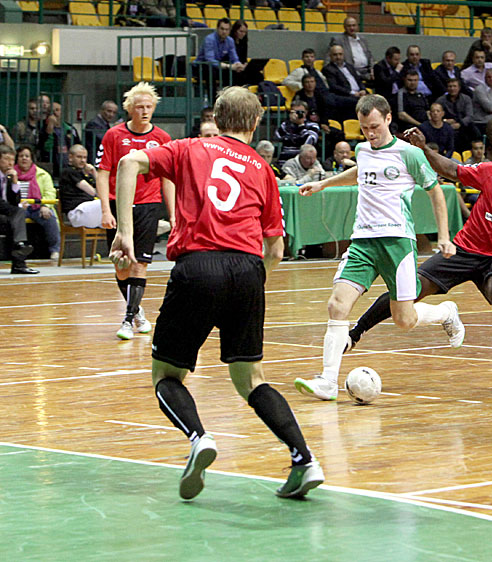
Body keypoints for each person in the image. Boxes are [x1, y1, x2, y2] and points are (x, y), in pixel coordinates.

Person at [109, 86, 324, 500]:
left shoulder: (191, 148)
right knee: (251, 380)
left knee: (167, 375)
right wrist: (248, 282)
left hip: (198, 265)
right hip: (247, 270)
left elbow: (128, 162)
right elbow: (276, 249)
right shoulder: (263, 168)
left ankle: (199, 439)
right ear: (256, 123)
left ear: (218, 119)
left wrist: (123, 231)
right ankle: (304, 459)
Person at [293, 94, 463, 401]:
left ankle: (445, 312)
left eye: (374, 127)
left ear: (387, 120)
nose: (370, 133)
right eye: (364, 128)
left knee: (404, 320)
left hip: (398, 243)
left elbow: (436, 191)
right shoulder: (362, 149)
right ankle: (328, 381)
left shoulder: (409, 153)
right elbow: (360, 171)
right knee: (337, 305)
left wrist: (444, 236)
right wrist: (324, 183)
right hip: (363, 242)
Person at [347, 137, 492, 394]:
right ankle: (355, 334)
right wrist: (425, 149)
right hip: (464, 250)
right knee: (407, 289)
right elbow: (450, 169)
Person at [97, 82, 173, 340]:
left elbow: (168, 179)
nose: (144, 111)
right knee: (121, 265)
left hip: (148, 206)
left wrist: (173, 214)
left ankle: (128, 319)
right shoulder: (113, 135)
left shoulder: (162, 139)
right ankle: (136, 309)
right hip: (119, 206)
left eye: (149, 107)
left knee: (140, 264)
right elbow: (103, 172)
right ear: (129, 109)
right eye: (139, 107)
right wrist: (106, 210)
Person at [14, 144, 60, 259]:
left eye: (27, 156)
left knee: (50, 217)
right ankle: (18, 250)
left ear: (31, 159)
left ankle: (55, 250)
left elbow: (50, 193)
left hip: (37, 207)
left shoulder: (43, 174)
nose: (24, 158)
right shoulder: (11, 174)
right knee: (15, 217)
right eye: (21, 156)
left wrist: (45, 205)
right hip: (19, 207)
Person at [0, 145, 38, 274]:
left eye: (12, 160)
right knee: (18, 214)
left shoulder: (9, 177)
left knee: (14, 223)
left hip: (4, 215)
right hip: (3, 211)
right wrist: (16, 209)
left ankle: (18, 262)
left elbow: (15, 200)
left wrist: (15, 182)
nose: (10, 163)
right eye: (6, 159)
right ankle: (19, 251)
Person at [194, 18, 245, 86]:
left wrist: (238, 65)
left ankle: (230, 95)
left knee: (236, 72)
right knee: (211, 71)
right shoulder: (209, 39)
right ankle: (213, 96)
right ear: (217, 28)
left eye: (227, 29)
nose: (224, 32)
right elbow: (210, 61)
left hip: (217, 67)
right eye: (222, 29)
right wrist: (228, 66)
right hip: (201, 67)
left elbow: (234, 58)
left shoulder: (230, 40)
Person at [60, 144, 101, 228]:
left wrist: (94, 172)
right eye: (79, 157)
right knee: (110, 204)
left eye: (85, 157)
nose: (83, 160)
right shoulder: (68, 172)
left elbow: (101, 191)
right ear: (71, 157)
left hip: (88, 210)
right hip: (76, 212)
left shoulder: (85, 174)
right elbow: (93, 192)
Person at [322, 44, 366, 121]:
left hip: (359, 93)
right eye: (335, 55)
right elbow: (334, 86)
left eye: (340, 54)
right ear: (330, 56)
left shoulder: (350, 66)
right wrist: (352, 93)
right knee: (359, 103)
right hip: (345, 96)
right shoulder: (328, 69)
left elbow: (359, 81)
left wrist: (363, 90)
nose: (338, 57)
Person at [38, 102, 80, 177]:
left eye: (57, 110)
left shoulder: (70, 128)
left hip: (69, 165)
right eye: (52, 111)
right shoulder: (42, 128)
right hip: (52, 165)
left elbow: (77, 145)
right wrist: (50, 126)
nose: (54, 113)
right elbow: (45, 147)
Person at [436, 78, 479, 151]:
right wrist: (445, 121)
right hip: (448, 126)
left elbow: (469, 116)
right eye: (450, 86)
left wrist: (460, 124)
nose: (452, 88)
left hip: (463, 125)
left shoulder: (466, 98)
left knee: (475, 131)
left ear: (459, 88)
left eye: (454, 86)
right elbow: (436, 114)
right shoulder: (441, 100)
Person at [273, 100, 320, 166]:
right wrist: (291, 124)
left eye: (301, 112)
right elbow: (278, 137)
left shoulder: (313, 125)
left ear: (306, 112)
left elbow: (308, 142)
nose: (298, 114)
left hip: (302, 163)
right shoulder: (285, 125)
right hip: (284, 162)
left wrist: (301, 125)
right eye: (296, 112)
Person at [330, 16, 374, 83]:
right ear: (344, 27)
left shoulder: (363, 40)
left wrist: (372, 70)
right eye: (349, 26)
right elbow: (330, 57)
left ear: (357, 26)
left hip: (366, 71)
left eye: (354, 25)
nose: (352, 28)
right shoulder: (338, 40)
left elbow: (370, 57)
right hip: (351, 72)